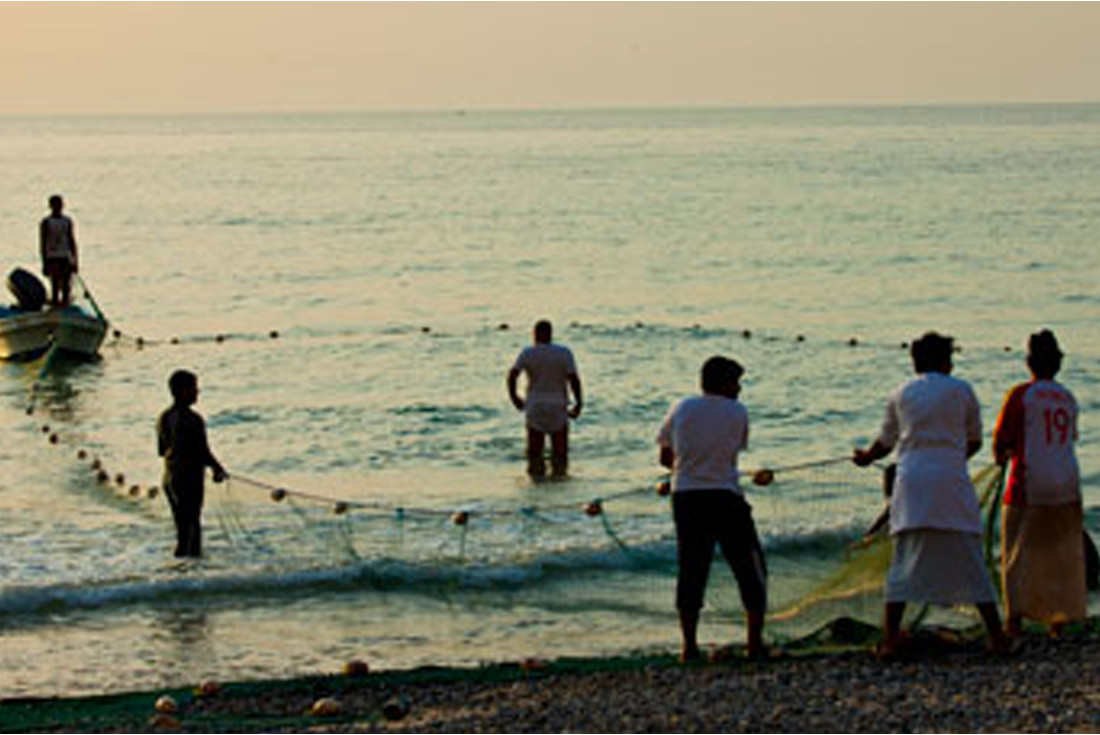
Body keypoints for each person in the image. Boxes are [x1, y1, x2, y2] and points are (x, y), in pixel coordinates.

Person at [853, 331, 1008, 657]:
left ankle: (891, 640)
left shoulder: (901, 393)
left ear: (915, 362)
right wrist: (949, 459)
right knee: (970, 559)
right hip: (951, 482)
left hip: (911, 484)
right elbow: (975, 440)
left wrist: (865, 457)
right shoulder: (962, 390)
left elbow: (885, 442)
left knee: (903, 560)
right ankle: (997, 637)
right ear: (945, 361)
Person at [657, 355, 767, 662]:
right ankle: (754, 645)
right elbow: (732, 452)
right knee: (749, 567)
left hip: (687, 497)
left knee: (692, 569)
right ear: (722, 383)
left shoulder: (680, 407)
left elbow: (665, 457)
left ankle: (689, 647)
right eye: (736, 382)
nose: (739, 389)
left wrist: (685, 468)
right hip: (725, 496)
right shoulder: (737, 412)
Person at [993, 329, 1086, 637]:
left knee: (1016, 553)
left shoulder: (1021, 394)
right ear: (1057, 364)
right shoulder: (1068, 397)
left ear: (1029, 362)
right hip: (1068, 484)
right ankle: (1057, 622)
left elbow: (1002, 441)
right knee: (1059, 554)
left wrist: (1000, 455)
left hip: (1029, 484)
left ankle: (1014, 622)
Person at [157, 370, 226, 558]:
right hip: (188, 479)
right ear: (182, 391)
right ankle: (191, 575)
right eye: (194, 388)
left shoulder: (164, 417)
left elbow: (162, 450)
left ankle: (183, 572)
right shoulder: (193, 419)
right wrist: (217, 468)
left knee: (182, 529)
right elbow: (203, 451)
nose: (197, 392)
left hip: (170, 478)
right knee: (192, 528)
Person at [506, 320, 583, 478]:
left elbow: (512, 375)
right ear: (550, 334)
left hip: (535, 405)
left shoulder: (528, 352)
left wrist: (515, 397)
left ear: (535, 334)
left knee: (535, 453)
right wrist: (579, 403)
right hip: (557, 405)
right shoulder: (564, 352)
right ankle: (558, 484)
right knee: (560, 453)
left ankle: (537, 488)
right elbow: (573, 379)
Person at [39, 194, 78, 307]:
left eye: (60, 204)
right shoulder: (46, 222)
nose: (58, 207)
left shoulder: (67, 221)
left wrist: (75, 261)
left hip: (65, 257)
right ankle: (56, 305)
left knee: (66, 286)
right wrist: (44, 262)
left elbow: (72, 241)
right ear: (50, 206)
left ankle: (65, 305)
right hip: (52, 257)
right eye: (55, 205)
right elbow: (43, 243)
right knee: (55, 285)